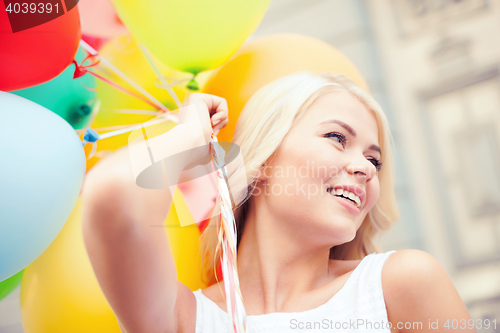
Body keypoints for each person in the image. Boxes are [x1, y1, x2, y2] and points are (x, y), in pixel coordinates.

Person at [82, 72, 476, 333]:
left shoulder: (398, 284)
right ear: (265, 159)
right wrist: (191, 136)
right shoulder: (187, 319)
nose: (366, 169)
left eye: (374, 160)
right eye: (337, 138)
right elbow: (112, 198)